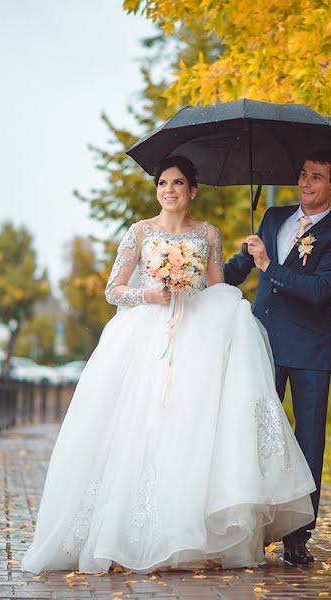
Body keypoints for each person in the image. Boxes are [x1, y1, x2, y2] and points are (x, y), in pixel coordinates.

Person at [21, 155, 315, 575]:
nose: (170, 190)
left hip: (198, 338)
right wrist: (149, 295)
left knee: (192, 428)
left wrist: (238, 281)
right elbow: (113, 289)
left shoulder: (207, 233)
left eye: (178, 183)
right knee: (144, 424)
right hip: (147, 335)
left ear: (192, 190)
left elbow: (217, 287)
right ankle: (132, 532)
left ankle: (193, 535)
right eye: (163, 183)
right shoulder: (140, 232)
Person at [223, 149, 331, 565]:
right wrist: (198, 275)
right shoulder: (272, 218)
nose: (305, 183)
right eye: (303, 174)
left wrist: (269, 265)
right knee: (257, 437)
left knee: (308, 443)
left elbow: (319, 290)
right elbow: (239, 268)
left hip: (309, 353)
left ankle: (298, 534)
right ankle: (256, 523)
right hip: (261, 344)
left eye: (316, 177)